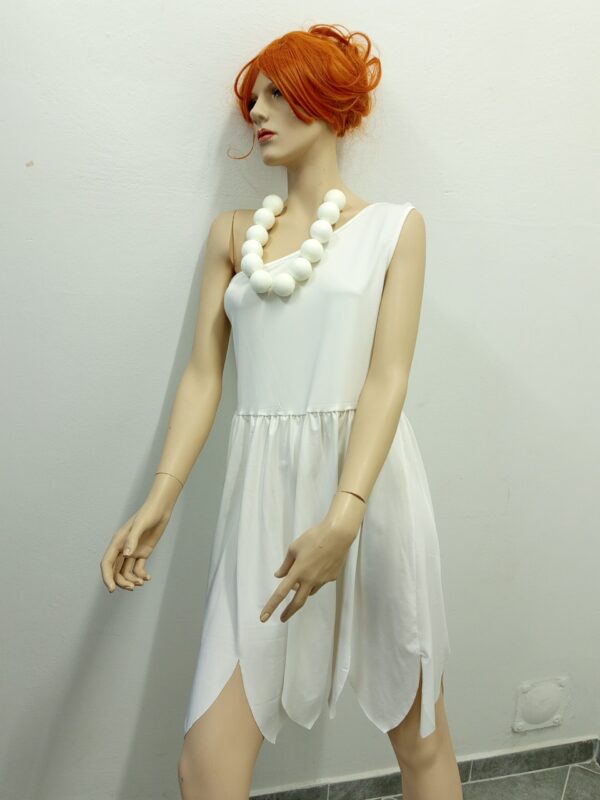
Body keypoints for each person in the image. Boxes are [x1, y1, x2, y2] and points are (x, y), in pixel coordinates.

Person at [100, 23, 463, 800]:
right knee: (205, 767)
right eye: (253, 99)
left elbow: (387, 379)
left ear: (328, 104)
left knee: (422, 740)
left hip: (369, 494)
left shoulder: (394, 228)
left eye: (277, 93)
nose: (257, 113)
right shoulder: (233, 237)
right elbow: (204, 376)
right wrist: (160, 497)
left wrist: (346, 514)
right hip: (261, 502)